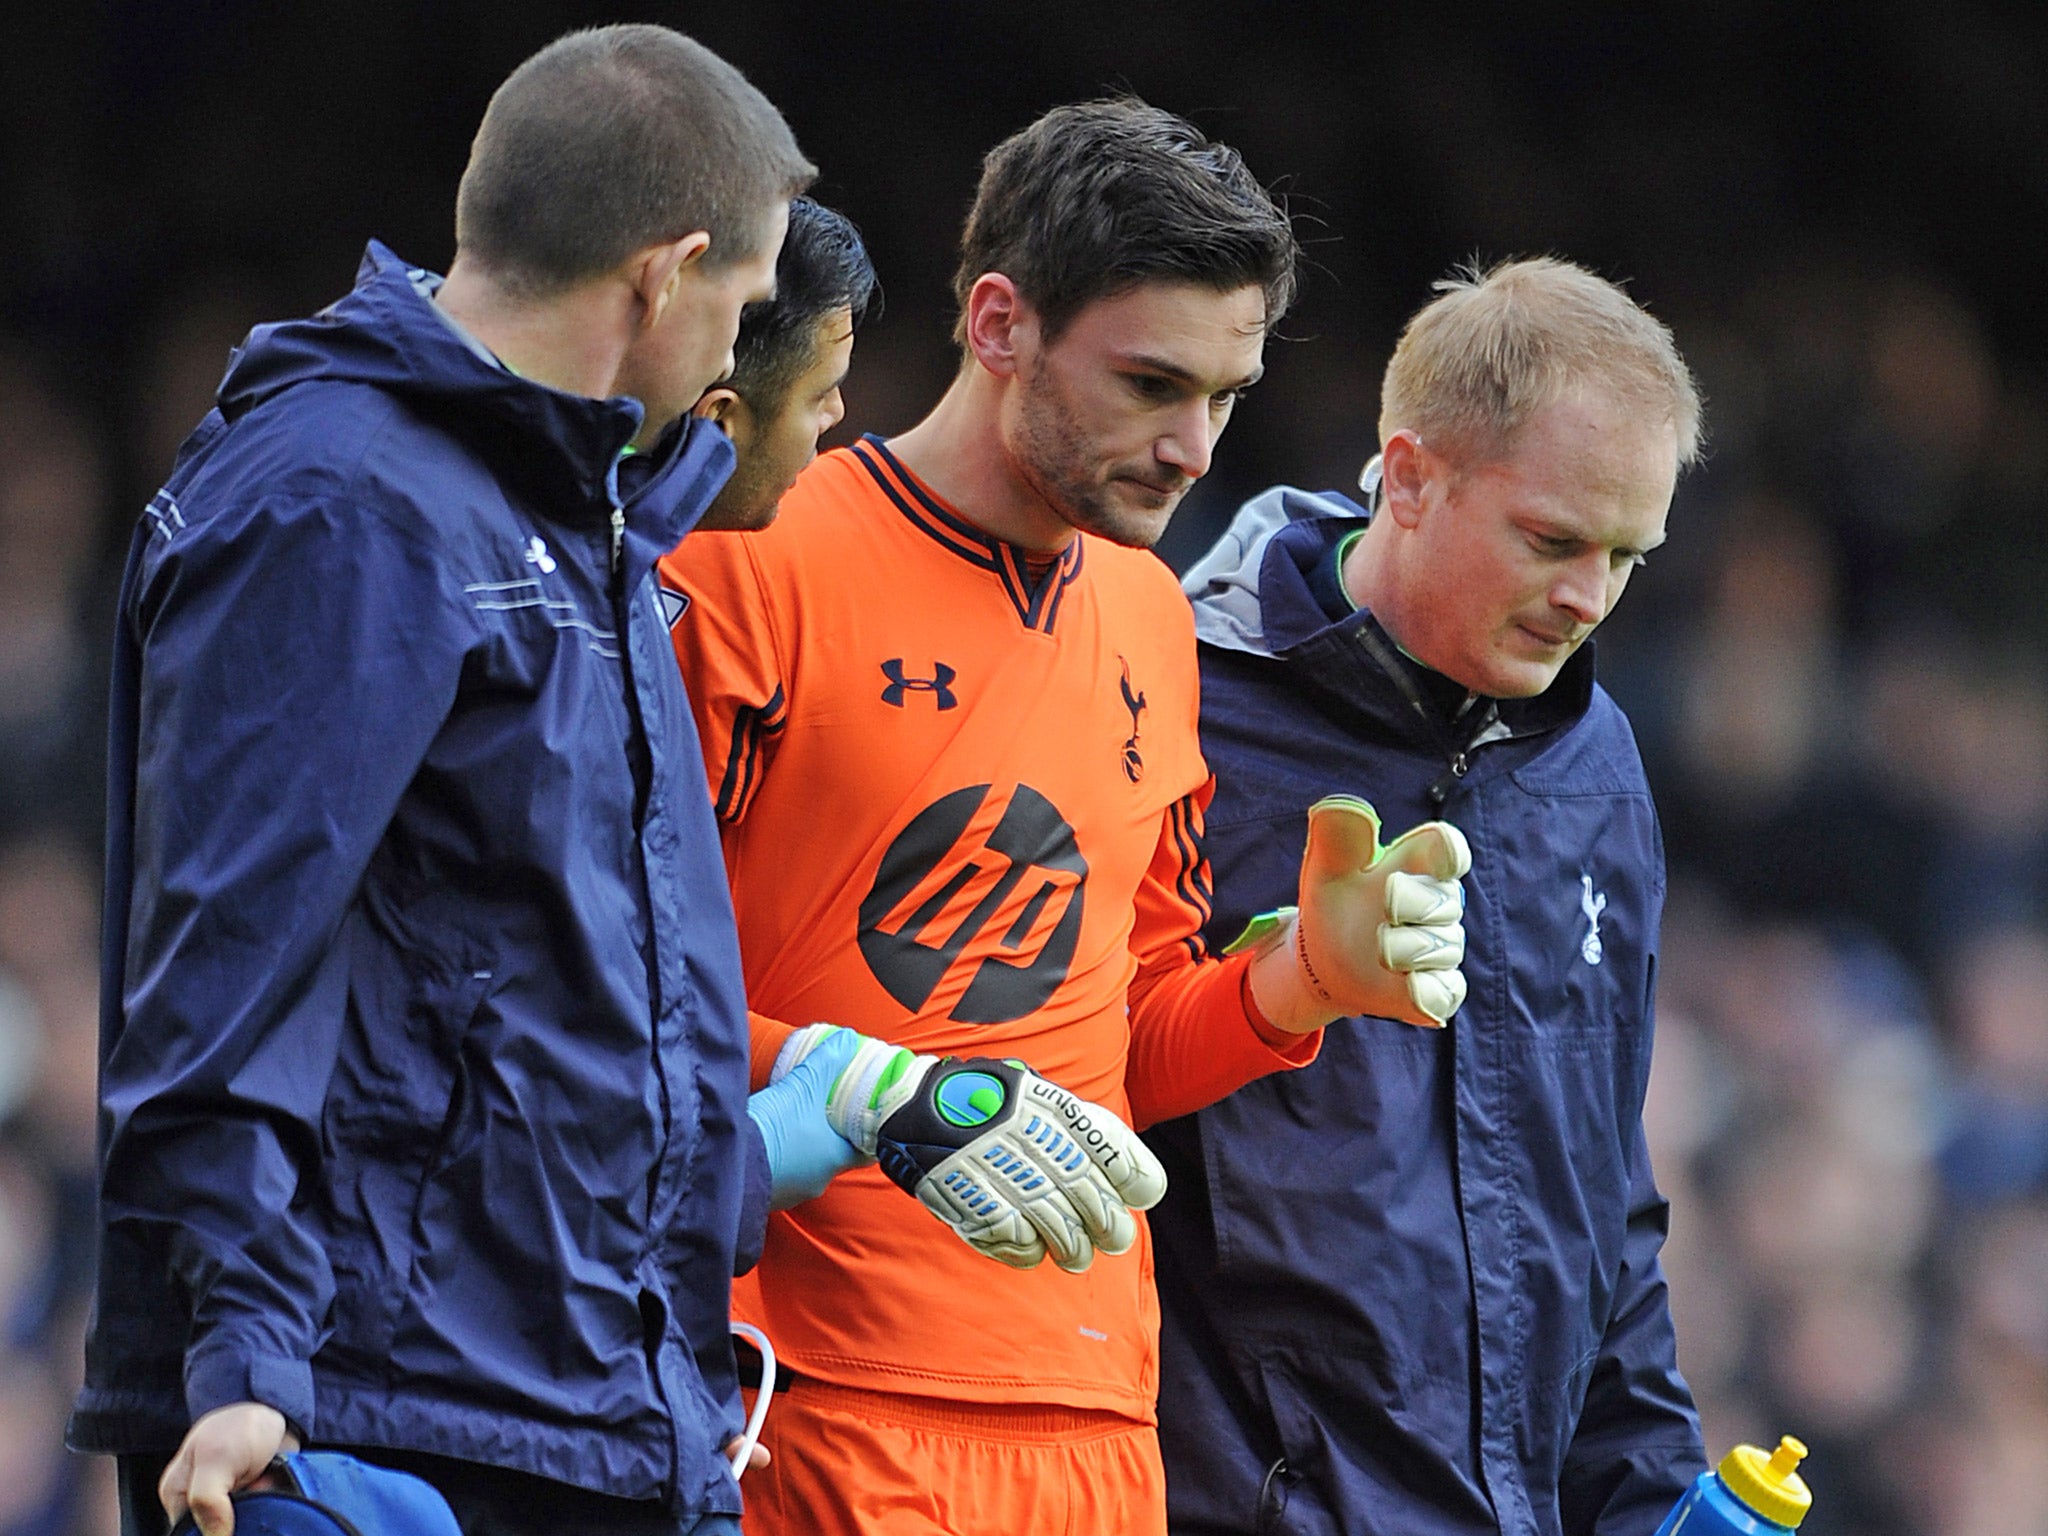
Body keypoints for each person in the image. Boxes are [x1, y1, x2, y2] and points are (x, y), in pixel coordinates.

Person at [659, 100, 1470, 1536]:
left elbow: (1113, 1056)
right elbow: (622, 995)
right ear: (997, 324)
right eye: (1152, 384)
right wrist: (868, 1092)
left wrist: (1296, 986)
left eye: (1225, 395)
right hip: (808, 1397)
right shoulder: (752, 558)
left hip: (1093, 1425)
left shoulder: (1153, 617)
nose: (1194, 448)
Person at [68, 25, 836, 1536]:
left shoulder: (570, 518)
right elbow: (228, 967)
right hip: (371, 1415)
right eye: (745, 305)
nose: (739, 347)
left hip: (581, 1406)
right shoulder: (343, 505)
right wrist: (242, 1365)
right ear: (666, 276)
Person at [1147, 257, 1710, 1535]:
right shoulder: (1169, 699)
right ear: (1407, 475)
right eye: (1554, 540)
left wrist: (1649, 1502)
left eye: (1628, 554)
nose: (1589, 599)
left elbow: (1600, 1206)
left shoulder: (1596, 765)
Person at [688, 196, 877, 533]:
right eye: (819, 395)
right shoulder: (582, 573)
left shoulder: (613, 561)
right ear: (718, 422)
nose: (837, 412)